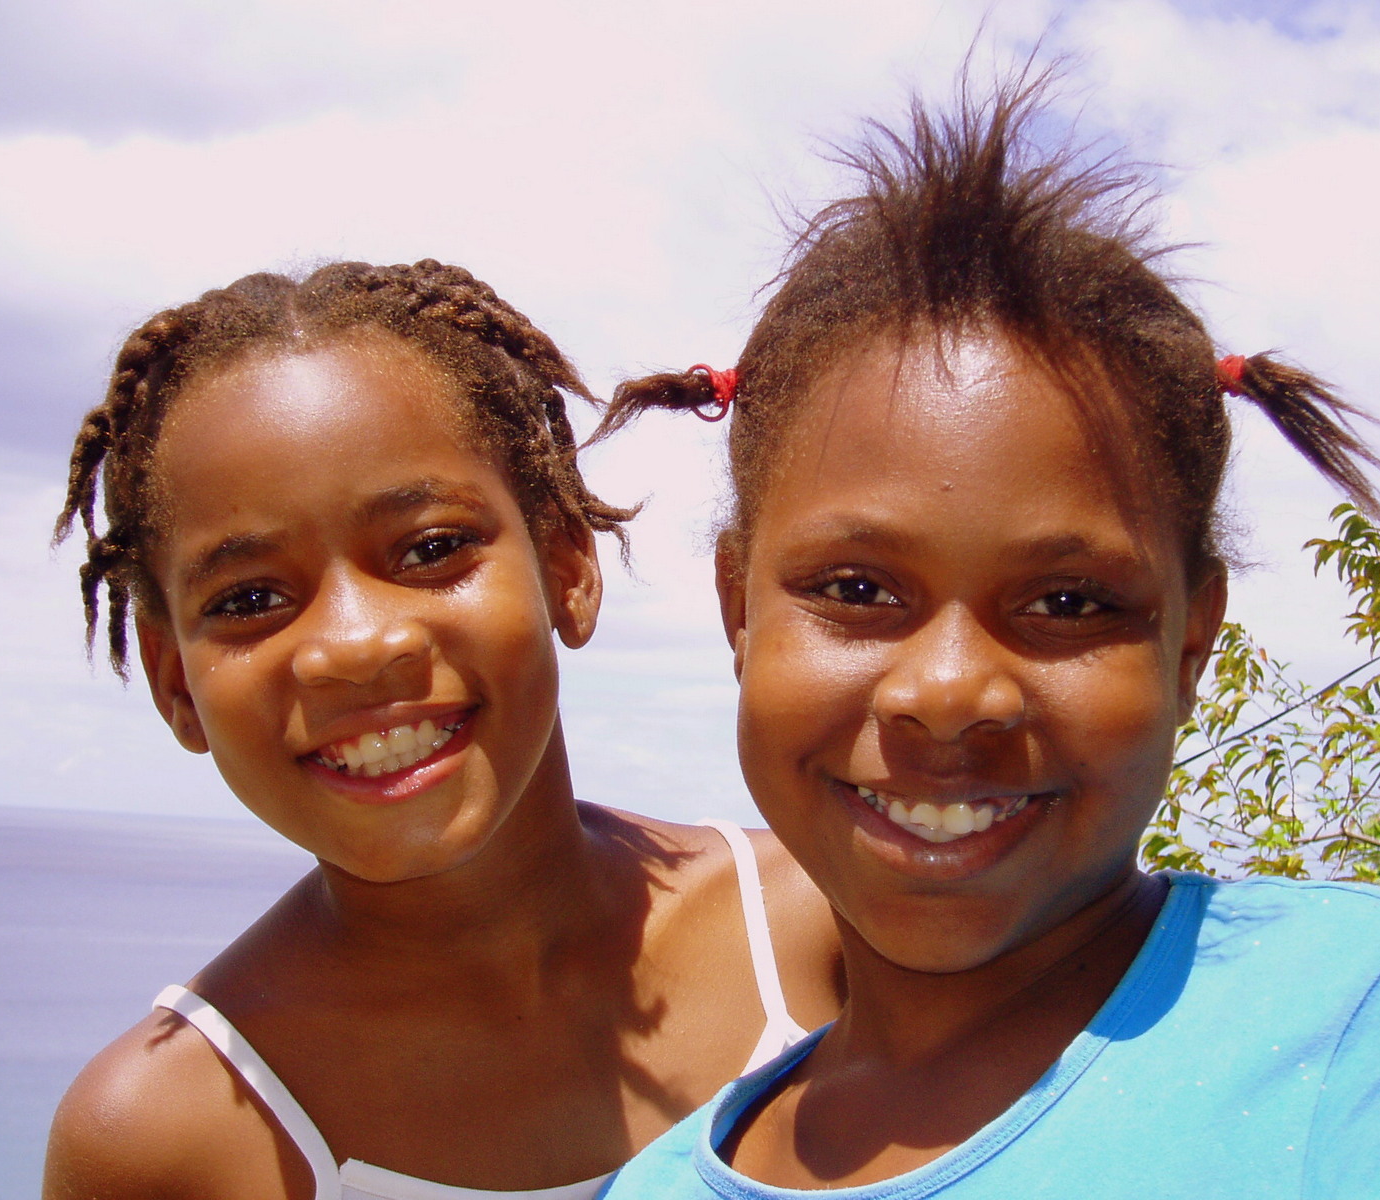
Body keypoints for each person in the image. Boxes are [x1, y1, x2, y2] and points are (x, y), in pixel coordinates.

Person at [589, 74, 1380, 1199]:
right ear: (738, 611)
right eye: (857, 587)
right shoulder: (652, 1188)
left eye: (1069, 604)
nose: (950, 691)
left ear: (1191, 646)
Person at [42, 259, 842, 1200]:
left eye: (431, 548)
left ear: (566, 564)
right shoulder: (159, 1139)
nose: (353, 647)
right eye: (250, 599)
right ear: (175, 681)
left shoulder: (833, 928)